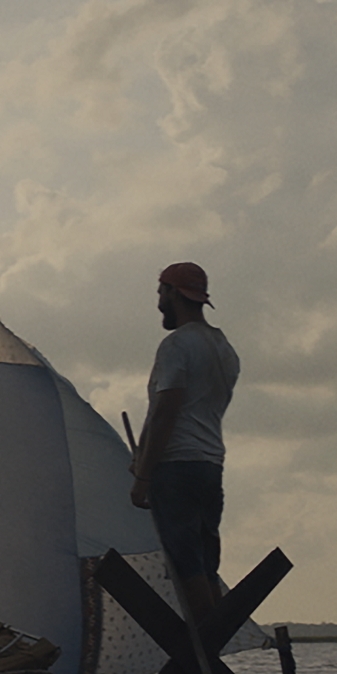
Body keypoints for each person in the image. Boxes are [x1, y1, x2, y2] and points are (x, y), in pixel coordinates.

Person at [130, 261, 239, 628]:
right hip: (211, 465)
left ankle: (205, 659)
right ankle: (212, 663)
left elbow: (166, 410)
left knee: (185, 562)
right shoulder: (224, 349)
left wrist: (144, 474)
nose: (159, 301)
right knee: (207, 563)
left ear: (174, 293)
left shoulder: (176, 345)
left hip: (176, 466)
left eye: (161, 292)